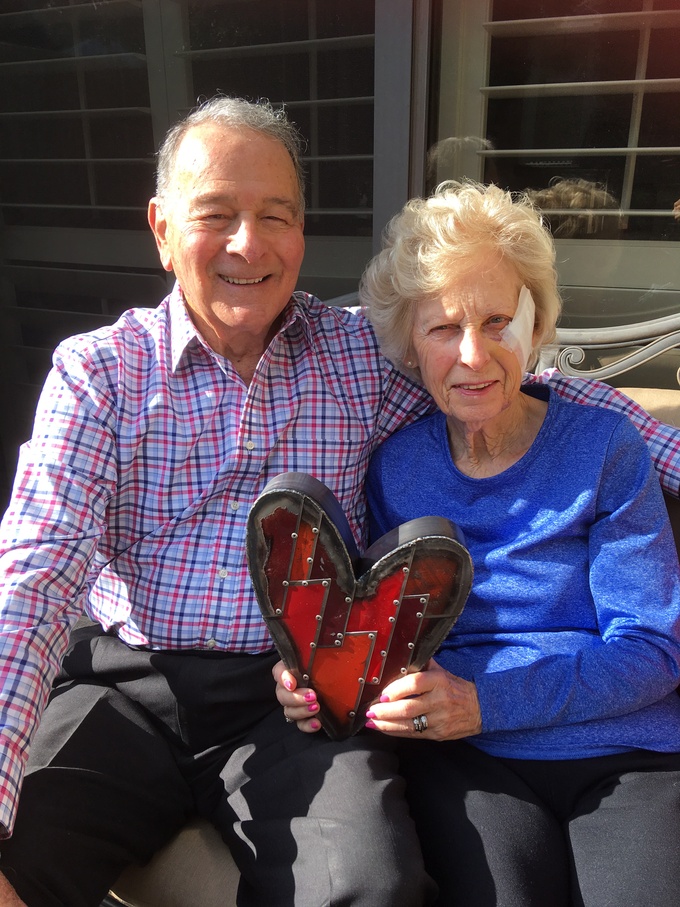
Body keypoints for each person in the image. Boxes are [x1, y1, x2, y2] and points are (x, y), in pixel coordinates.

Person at [0, 99, 678, 907]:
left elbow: (512, 374)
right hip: (127, 683)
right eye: (216, 214)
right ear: (161, 227)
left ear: (301, 233)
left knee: (371, 885)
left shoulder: (356, 357)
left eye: (274, 216)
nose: (248, 243)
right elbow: (36, 575)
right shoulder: (99, 374)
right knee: (18, 848)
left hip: (294, 694)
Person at [337, 181, 680, 906]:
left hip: (623, 747)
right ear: (408, 343)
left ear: (536, 322)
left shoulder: (604, 445)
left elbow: (653, 648)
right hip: (470, 761)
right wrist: (317, 679)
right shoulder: (396, 468)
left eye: (498, 320)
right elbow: (381, 630)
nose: (474, 355)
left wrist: (486, 701)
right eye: (442, 328)